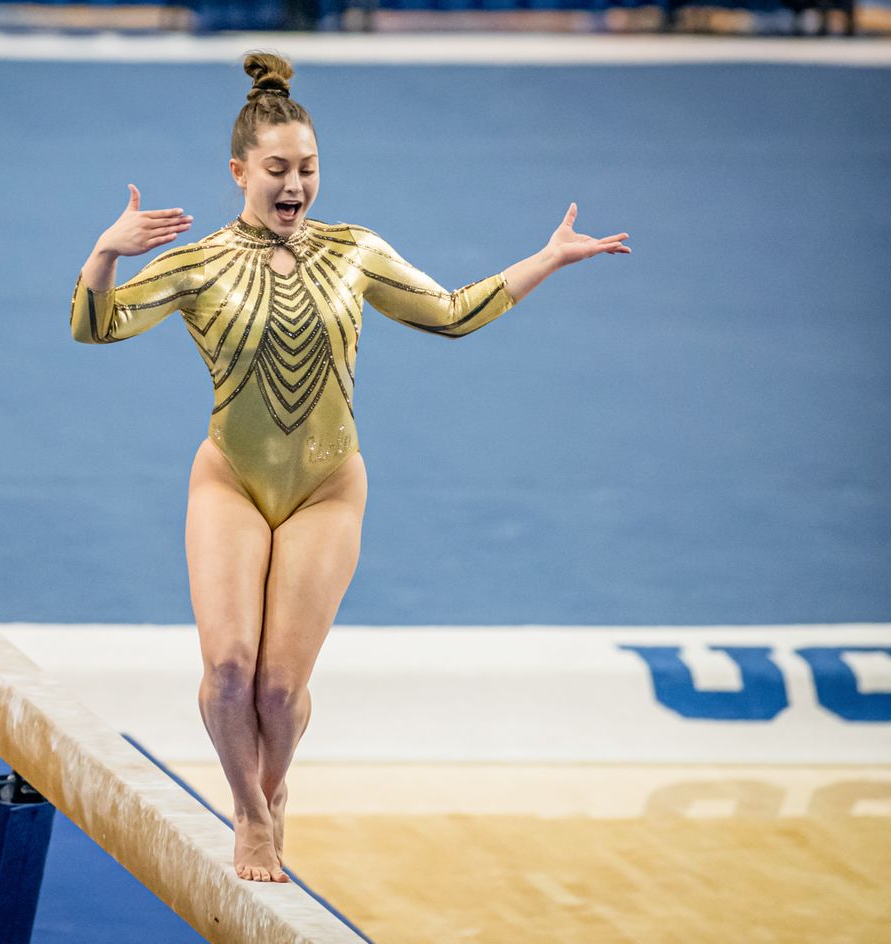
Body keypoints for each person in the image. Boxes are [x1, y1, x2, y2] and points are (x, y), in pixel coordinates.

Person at [70, 51, 630, 883]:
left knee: (277, 692)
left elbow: (448, 315)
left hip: (327, 488)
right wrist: (107, 252)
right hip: (231, 477)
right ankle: (251, 815)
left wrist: (546, 258)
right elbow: (97, 327)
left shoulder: (354, 250)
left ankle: (275, 784)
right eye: (276, 170)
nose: (294, 185)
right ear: (239, 172)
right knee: (228, 673)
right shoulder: (197, 264)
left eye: (308, 168)